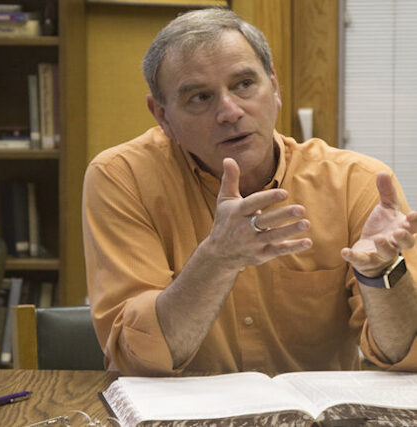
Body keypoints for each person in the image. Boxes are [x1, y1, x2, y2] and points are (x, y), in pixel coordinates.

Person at [82, 8, 417, 376]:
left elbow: (403, 354)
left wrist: (382, 273)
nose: (229, 111)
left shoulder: (358, 181)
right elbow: (137, 359)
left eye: (244, 84)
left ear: (274, 88)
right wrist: (217, 259)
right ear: (162, 117)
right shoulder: (121, 178)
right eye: (200, 97)